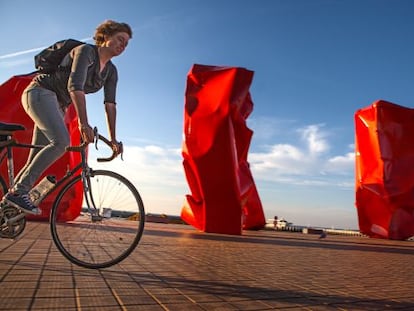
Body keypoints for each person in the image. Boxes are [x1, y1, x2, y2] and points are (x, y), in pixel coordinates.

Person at [4, 20, 132, 214]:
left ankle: (6, 209)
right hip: (40, 92)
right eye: (120, 39)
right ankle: (18, 193)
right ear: (105, 37)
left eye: (126, 43)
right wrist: (83, 124)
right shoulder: (86, 51)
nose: (122, 46)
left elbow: (110, 105)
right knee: (61, 142)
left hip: (58, 104)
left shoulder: (111, 71)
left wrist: (114, 139)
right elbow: (75, 87)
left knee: (37, 155)